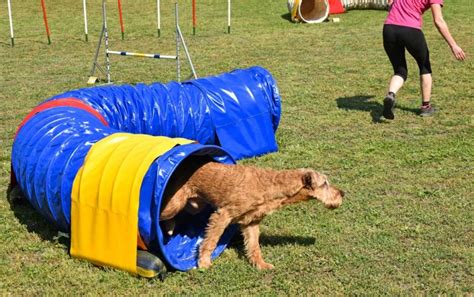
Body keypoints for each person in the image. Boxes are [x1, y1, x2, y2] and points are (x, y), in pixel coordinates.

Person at [382, 0, 466, 119]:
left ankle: (390, 95)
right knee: (424, 66)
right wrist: (453, 45)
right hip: (411, 29)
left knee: (400, 70)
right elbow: (438, 21)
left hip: (389, 29)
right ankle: (426, 107)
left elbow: (390, 4)